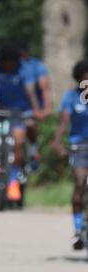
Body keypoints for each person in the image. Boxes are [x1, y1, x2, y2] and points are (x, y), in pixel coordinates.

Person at [0, 45, 42, 202]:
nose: (9, 66)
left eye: (12, 63)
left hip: (18, 111)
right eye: (5, 63)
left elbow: (30, 90)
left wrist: (36, 110)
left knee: (19, 140)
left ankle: (16, 174)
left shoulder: (24, 69)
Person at [52, 60, 88, 250]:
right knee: (80, 182)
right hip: (79, 146)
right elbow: (64, 122)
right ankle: (78, 230)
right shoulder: (71, 97)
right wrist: (58, 142)